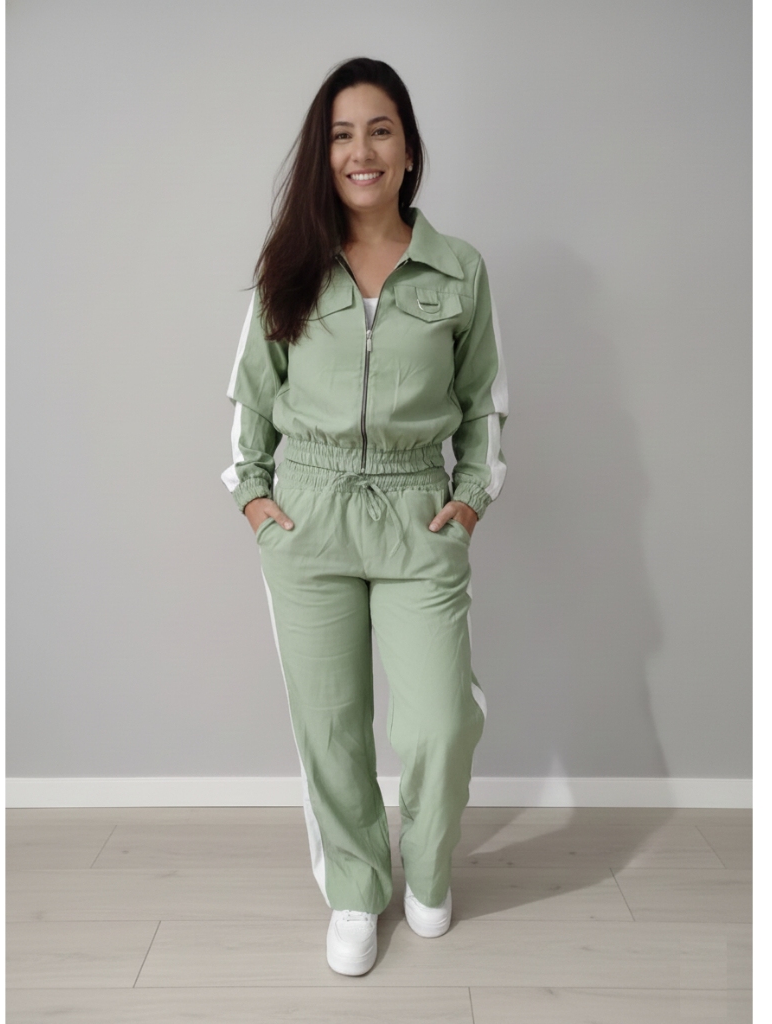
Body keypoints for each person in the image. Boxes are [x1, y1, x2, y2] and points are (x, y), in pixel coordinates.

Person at [221, 57, 507, 976]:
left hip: (417, 509)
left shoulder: (458, 269)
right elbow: (250, 397)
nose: (361, 150)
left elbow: (484, 403)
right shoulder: (290, 266)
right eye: (342, 134)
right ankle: (355, 887)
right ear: (325, 152)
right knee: (331, 725)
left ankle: (427, 866)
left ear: (409, 149)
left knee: (438, 723)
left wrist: (470, 499)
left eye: (380, 130)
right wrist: (256, 500)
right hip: (307, 515)